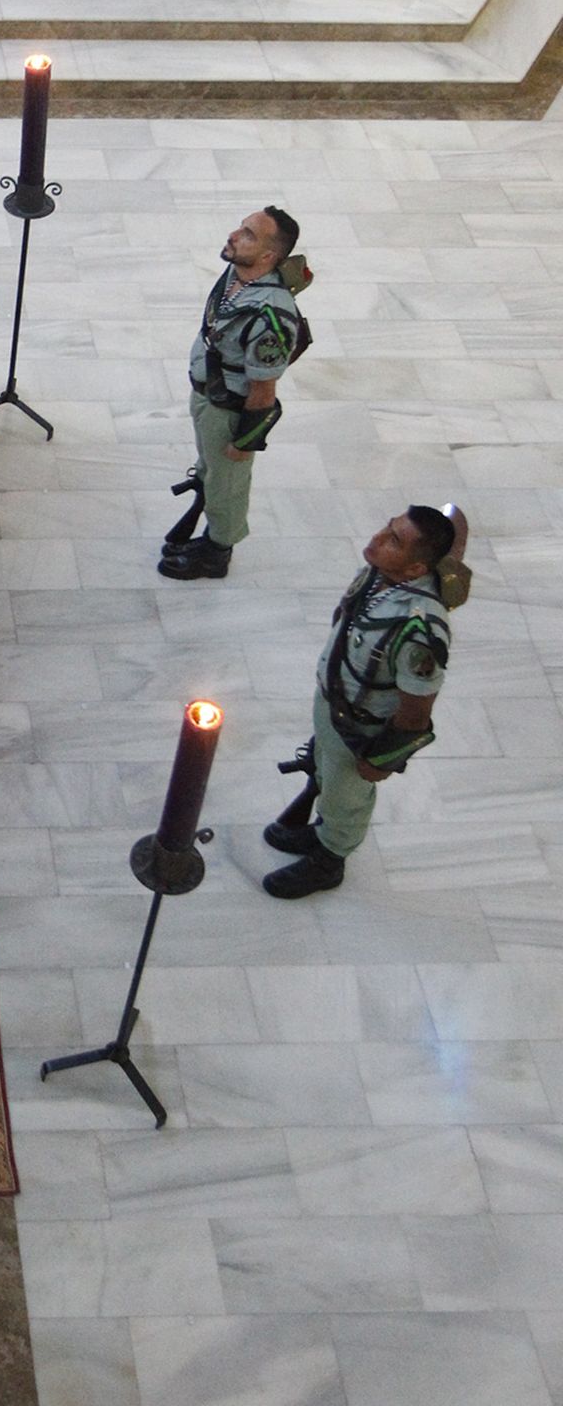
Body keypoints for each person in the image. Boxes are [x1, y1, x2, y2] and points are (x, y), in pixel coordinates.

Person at [262, 504, 462, 899]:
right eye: (387, 528)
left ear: (415, 570)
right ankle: (319, 831)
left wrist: (382, 758)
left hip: (362, 726)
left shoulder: (419, 631)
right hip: (334, 701)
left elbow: (416, 712)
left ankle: (330, 857)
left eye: (394, 540)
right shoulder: (377, 576)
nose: (376, 539)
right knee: (322, 766)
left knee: (345, 796)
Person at [160, 205, 305, 582]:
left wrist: (243, 443)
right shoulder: (237, 273)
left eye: (248, 235)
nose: (234, 235)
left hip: (229, 409)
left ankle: (217, 551)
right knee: (211, 472)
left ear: (269, 256)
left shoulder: (271, 317)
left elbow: (263, 390)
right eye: (241, 228)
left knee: (227, 484)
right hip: (207, 394)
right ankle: (207, 526)